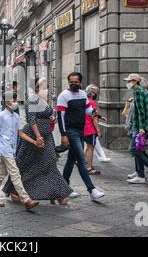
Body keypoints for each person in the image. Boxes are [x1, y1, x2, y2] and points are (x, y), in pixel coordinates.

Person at [3, 78, 75, 205]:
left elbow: (47, 115)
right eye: (44, 87)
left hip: (47, 137)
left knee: (50, 163)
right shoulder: (32, 100)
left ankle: (58, 194)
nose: (47, 89)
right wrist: (38, 137)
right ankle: (14, 190)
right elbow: (32, 120)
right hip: (32, 138)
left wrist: (51, 118)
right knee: (24, 165)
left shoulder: (43, 101)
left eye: (47, 87)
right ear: (36, 87)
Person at [57, 72, 105, 201]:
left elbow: (88, 110)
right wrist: (63, 134)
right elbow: (60, 117)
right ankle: (92, 190)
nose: (73, 84)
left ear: (80, 82)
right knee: (81, 160)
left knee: (71, 161)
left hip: (81, 130)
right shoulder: (63, 96)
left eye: (76, 82)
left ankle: (64, 188)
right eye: (71, 82)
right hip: (71, 132)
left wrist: (97, 114)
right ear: (68, 82)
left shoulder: (83, 94)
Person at [0, 96, 40, 210]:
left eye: (16, 100)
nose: (15, 103)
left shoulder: (16, 117)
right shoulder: (0, 116)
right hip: (4, 148)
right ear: (6, 103)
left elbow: (21, 134)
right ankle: (26, 199)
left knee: (1, 174)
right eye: (12, 100)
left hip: (11, 148)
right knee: (15, 173)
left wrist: (34, 142)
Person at [124, 74, 148, 184]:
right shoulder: (140, 91)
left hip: (139, 126)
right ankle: (140, 175)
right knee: (139, 149)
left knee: (134, 149)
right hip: (140, 125)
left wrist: (141, 127)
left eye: (129, 81)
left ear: (135, 81)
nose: (128, 83)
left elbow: (141, 111)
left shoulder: (139, 91)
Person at [84, 84, 101, 175]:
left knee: (88, 147)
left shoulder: (85, 101)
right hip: (90, 128)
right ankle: (89, 168)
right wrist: (98, 131)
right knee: (91, 148)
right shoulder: (92, 103)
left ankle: (81, 162)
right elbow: (94, 118)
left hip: (83, 128)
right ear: (93, 93)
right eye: (96, 92)